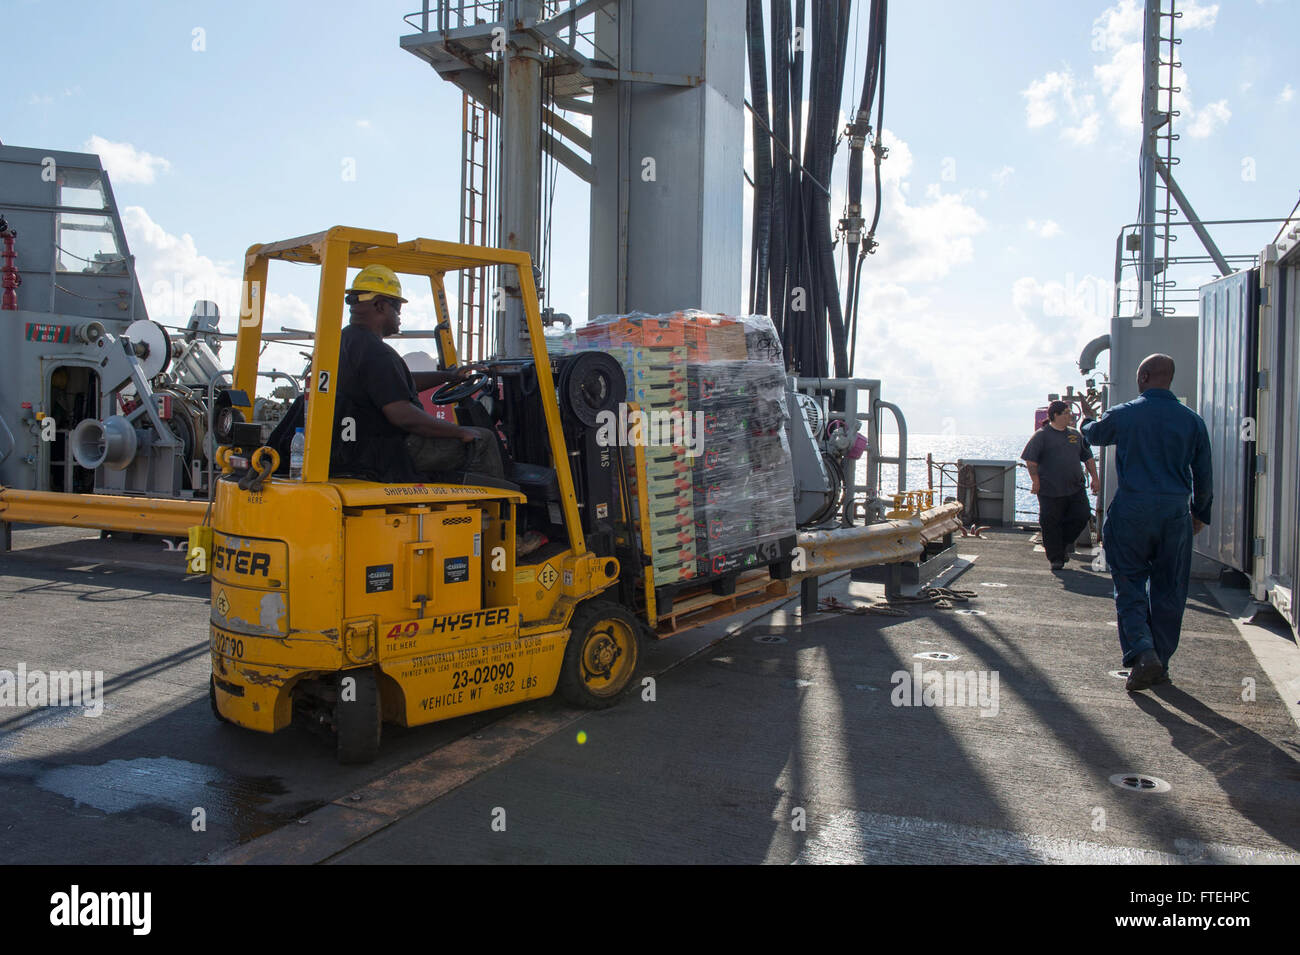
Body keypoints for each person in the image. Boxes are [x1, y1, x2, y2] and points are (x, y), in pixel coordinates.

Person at [1080, 354, 1213, 693]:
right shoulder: (1193, 421)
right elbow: (1204, 474)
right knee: (1170, 590)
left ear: (1143, 376)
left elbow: (1093, 435)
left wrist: (1085, 419)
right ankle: (1160, 663)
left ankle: (1143, 653)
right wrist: (1199, 514)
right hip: (1175, 514)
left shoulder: (1126, 414)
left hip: (1133, 511)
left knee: (1130, 584)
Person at [331, 264, 505, 484]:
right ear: (380, 306)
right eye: (397, 308)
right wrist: (458, 432)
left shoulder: (346, 343)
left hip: (356, 445)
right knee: (484, 439)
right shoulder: (376, 352)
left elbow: (392, 386)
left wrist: (448, 376)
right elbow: (402, 415)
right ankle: (498, 513)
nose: (400, 316)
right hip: (390, 448)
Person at [1021, 399, 1100, 570]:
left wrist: (1095, 478)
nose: (1070, 415)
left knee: (1082, 515)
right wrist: (1035, 481)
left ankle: (1063, 543)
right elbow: (1031, 460)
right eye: (1065, 413)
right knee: (1050, 522)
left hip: (1075, 488)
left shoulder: (1075, 435)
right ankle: (1056, 558)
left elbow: (1087, 457)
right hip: (1050, 489)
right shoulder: (1042, 435)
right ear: (1055, 416)